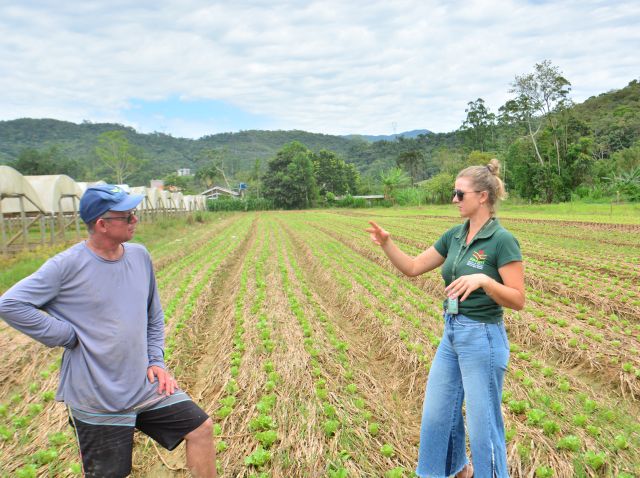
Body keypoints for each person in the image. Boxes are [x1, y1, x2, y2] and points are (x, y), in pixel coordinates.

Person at [0, 184, 217, 478]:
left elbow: (153, 315)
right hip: (97, 396)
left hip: (142, 384)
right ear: (102, 224)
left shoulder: (140, 256)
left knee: (200, 429)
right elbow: (10, 303)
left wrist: (156, 360)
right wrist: (66, 335)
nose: (134, 220)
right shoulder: (66, 266)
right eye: (127, 216)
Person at [366, 159, 524, 478]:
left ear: (482, 196)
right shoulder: (455, 235)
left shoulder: (501, 240)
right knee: (438, 415)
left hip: (483, 338)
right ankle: (455, 470)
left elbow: (518, 299)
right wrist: (387, 244)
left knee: (483, 428)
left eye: (459, 193)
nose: (454, 199)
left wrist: (485, 282)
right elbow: (412, 267)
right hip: (452, 334)